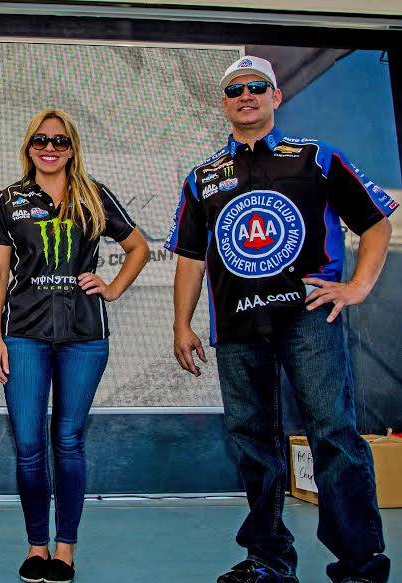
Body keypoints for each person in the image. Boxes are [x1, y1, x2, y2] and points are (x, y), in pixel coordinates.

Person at [166, 55, 395, 583]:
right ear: (223, 104)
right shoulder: (203, 177)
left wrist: (358, 286)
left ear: (275, 96)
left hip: (308, 319)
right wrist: (182, 324)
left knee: (333, 434)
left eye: (256, 87)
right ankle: (269, 560)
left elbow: (376, 221)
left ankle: (361, 564)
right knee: (252, 441)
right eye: (234, 89)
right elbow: (191, 256)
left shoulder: (316, 157)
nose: (245, 95)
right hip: (237, 328)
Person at [0, 108, 149, 583]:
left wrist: (113, 288)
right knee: (30, 445)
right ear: (28, 146)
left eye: (59, 141)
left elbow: (138, 246)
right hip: (24, 335)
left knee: (69, 441)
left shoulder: (93, 195)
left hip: (84, 337)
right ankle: (37, 547)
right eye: (41, 140)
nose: (50, 148)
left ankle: (65, 549)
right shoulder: (10, 200)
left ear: (72, 147)